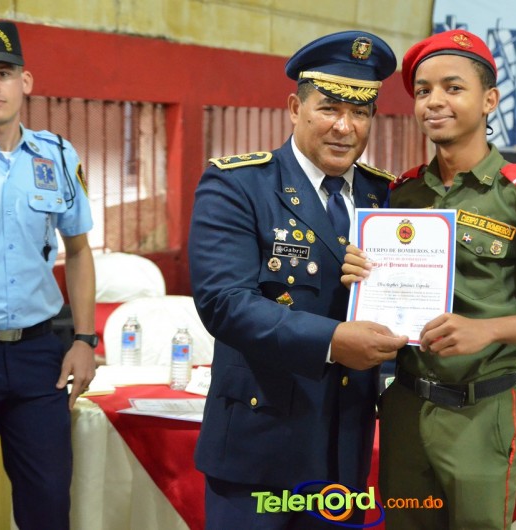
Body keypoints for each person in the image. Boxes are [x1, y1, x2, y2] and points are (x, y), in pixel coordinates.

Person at [344, 29, 516, 529]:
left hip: (481, 413)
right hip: (405, 406)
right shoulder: (402, 194)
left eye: (453, 88)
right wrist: (360, 276)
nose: (434, 101)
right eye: (423, 91)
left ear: (489, 101)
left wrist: (488, 330)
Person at [188, 31, 407, 530]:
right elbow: (225, 302)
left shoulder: (384, 197)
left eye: (360, 113)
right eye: (329, 108)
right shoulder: (240, 184)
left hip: (344, 447)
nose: (344, 127)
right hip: (259, 448)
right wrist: (333, 341)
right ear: (294, 108)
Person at [0, 21, 96, 530]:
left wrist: (84, 340)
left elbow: (79, 251)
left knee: (49, 502)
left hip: (39, 358)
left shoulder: (58, 156)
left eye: (4, 73)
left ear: (25, 81)